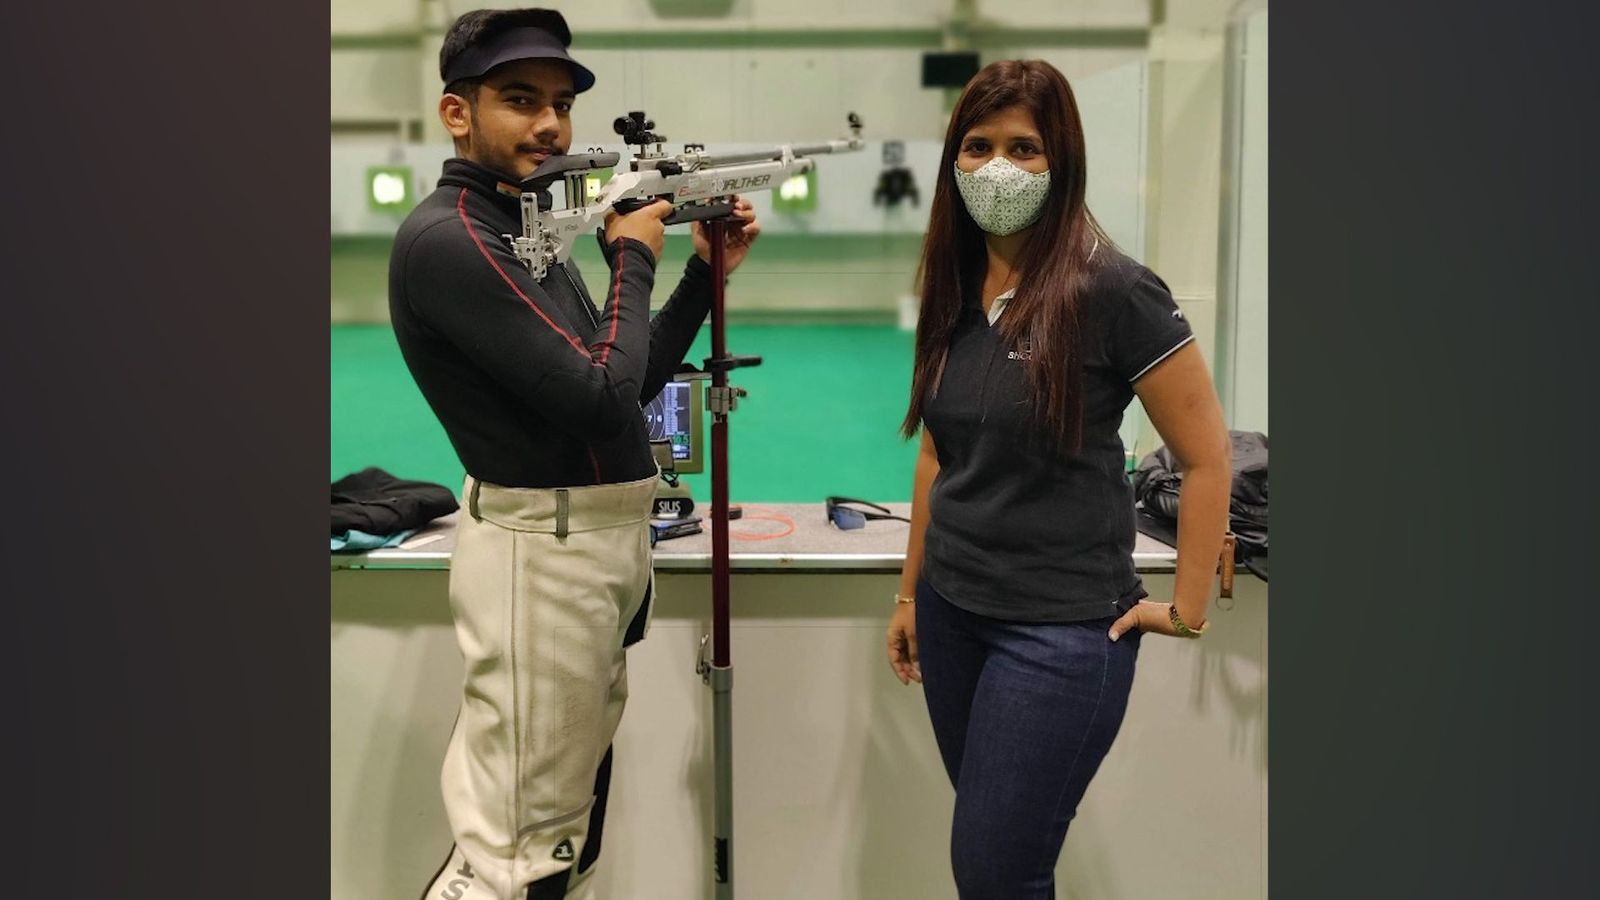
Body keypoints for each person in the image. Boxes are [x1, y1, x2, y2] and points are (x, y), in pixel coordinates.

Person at [386, 9, 760, 899]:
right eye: (521, 100)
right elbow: (598, 402)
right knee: (519, 853)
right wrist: (632, 257)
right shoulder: (454, 239)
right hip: (543, 563)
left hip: (584, 553)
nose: (550, 124)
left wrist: (702, 274)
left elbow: (626, 385)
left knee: (564, 833)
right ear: (457, 112)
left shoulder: (519, 227)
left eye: (560, 104)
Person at [885, 59, 1232, 899]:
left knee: (996, 871)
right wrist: (909, 593)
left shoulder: (1114, 291)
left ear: (1062, 160)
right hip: (953, 612)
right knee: (994, 861)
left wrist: (1186, 608)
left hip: (1060, 634)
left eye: (1023, 148)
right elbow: (938, 452)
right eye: (978, 146)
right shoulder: (954, 283)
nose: (997, 168)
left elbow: (1207, 456)